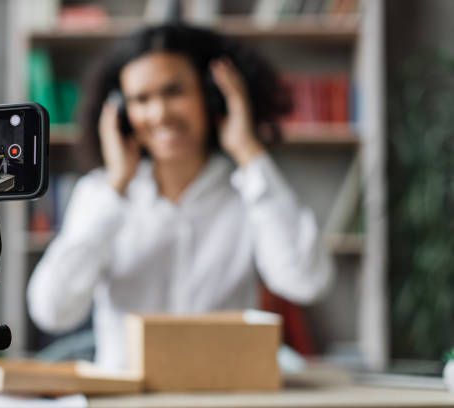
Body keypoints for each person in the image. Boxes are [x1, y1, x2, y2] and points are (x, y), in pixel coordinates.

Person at [27, 24, 334, 370]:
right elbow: (51, 310)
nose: (159, 114)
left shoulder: (250, 189)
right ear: (121, 114)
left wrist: (248, 150)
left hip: (222, 396)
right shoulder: (100, 193)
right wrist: (116, 188)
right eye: (141, 99)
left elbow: (307, 281)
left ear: (212, 96)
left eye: (174, 92)